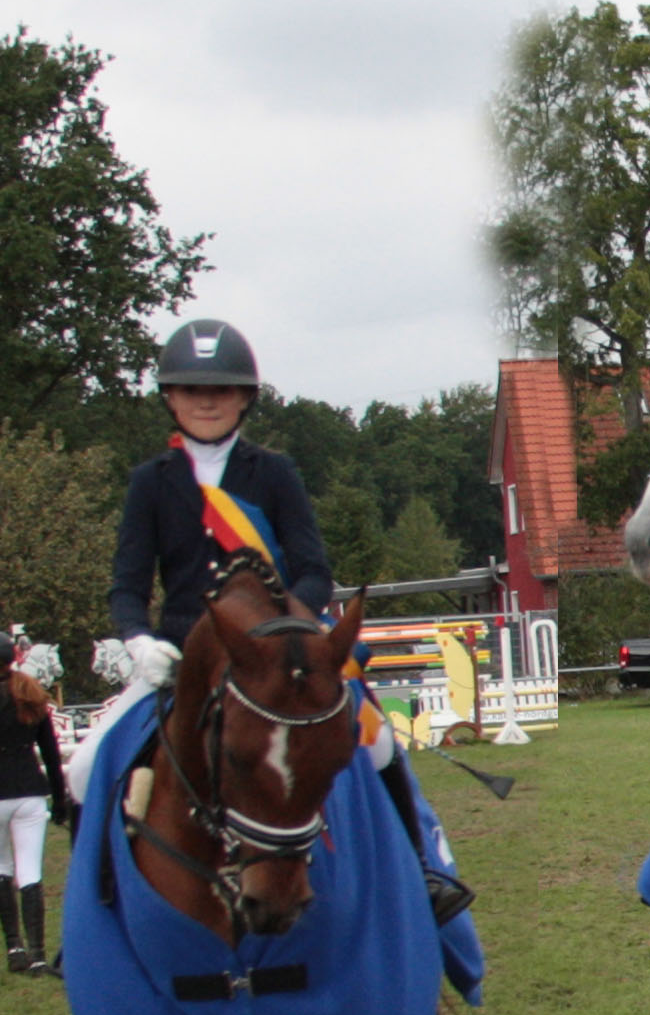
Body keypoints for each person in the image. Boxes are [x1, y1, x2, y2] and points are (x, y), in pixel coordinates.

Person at [78, 319, 464, 918]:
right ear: (169, 398)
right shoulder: (150, 484)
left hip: (276, 658)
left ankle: (419, 874)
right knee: (82, 767)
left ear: (245, 398)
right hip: (184, 658)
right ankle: (94, 901)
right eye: (190, 390)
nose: (206, 401)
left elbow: (312, 570)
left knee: (380, 741)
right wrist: (138, 641)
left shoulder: (274, 472)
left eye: (222, 390)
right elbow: (127, 585)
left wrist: (294, 636)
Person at [0, 637, 69, 976]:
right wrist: (60, 800)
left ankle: (14, 946)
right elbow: (53, 756)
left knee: (1, 868)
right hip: (30, 791)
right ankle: (39, 954)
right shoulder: (30, 694)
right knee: (31, 872)